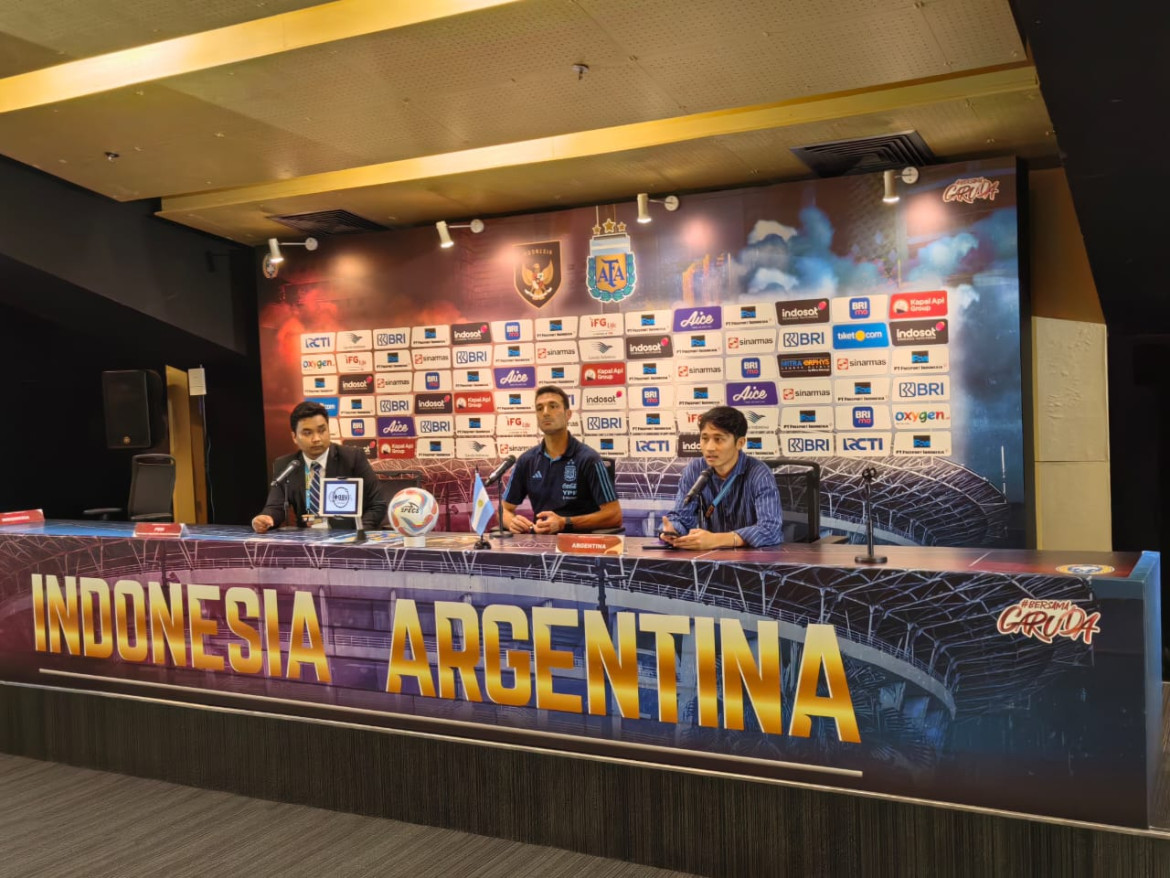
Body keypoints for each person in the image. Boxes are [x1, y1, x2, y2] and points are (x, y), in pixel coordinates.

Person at [502, 385, 622, 534]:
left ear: (568, 414)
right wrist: (510, 521)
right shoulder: (526, 460)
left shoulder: (589, 459)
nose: (545, 413)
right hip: (539, 546)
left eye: (553, 406)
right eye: (540, 408)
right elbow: (504, 509)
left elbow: (614, 515)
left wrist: (564, 523)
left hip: (580, 546)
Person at [660, 406, 783, 550]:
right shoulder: (694, 470)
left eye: (718, 439)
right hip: (710, 559)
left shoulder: (759, 473)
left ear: (740, 443)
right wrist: (673, 530)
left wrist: (717, 539)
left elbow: (770, 530)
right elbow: (682, 517)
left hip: (754, 561)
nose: (709, 447)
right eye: (705, 439)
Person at [252, 401, 387, 532]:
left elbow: (378, 504)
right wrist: (265, 518)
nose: (316, 438)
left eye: (322, 430)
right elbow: (275, 506)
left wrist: (358, 532)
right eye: (307, 433)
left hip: (348, 538)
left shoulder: (352, 458)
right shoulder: (287, 465)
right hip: (308, 543)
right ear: (294, 437)